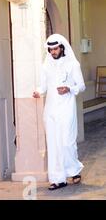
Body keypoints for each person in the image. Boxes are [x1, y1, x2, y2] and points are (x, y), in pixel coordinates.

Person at [33, 34, 85, 190]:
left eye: (55, 48)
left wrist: (69, 88)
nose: (53, 52)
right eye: (50, 49)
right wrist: (37, 91)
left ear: (62, 47)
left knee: (67, 142)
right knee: (53, 144)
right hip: (50, 110)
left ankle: (74, 171)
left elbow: (81, 86)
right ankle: (57, 179)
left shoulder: (72, 64)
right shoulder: (46, 66)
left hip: (67, 108)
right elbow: (43, 86)